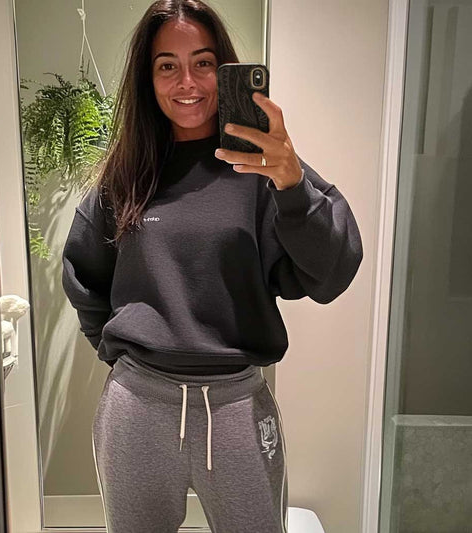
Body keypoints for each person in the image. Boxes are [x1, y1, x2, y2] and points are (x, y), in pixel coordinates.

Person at [61, 1, 363, 532]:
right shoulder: (127, 173)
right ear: (148, 77)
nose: (187, 82)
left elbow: (332, 272)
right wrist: (121, 354)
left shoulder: (265, 167)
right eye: (167, 65)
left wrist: (293, 185)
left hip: (237, 406)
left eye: (202, 62)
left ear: (224, 69)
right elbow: (83, 273)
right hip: (138, 405)